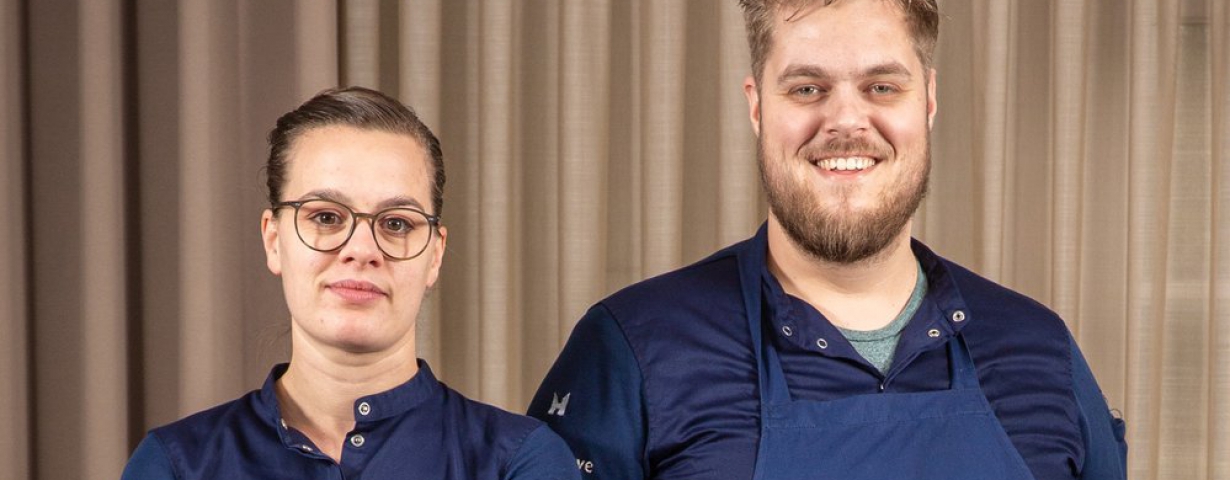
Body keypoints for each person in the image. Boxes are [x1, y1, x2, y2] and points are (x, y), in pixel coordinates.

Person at [528, 1, 1127, 479]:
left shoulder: (1039, 350)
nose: (845, 121)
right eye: (807, 89)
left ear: (929, 101)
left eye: (882, 87)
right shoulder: (634, 349)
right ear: (757, 107)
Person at [122, 87, 579, 480]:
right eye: (326, 217)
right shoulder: (175, 464)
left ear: (435, 255)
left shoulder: (520, 461)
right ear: (274, 240)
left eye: (397, 223)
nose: (362, 249)